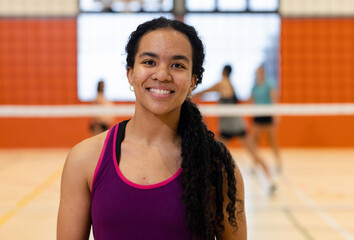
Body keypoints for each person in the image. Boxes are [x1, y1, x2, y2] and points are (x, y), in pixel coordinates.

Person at [57, 17, 246, 240]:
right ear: (130, 73)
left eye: (177, 65)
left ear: (193, 81)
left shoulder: (216, 165)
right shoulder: (85, 159)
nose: (162, 75)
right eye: (149, 62)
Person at [193, 65, 275, 193]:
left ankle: (271, 180)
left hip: (233, 125)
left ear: (223, 72)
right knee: (250, 153)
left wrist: (189, 95)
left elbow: (205, 91)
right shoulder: (228, 84)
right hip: (234, 124)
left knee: (214, 154)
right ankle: (271, 180)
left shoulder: (223, 83)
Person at [251, 64, 282, 174]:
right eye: (258, 72)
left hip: (268, 113)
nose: (259, 74)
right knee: (254, 140)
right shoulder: (254, 86)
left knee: (272, 140)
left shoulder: (270, 84)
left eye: (261, 72)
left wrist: (275, 115)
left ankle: (278, 163)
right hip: (258, 114)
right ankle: (255, 164)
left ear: (263, 72)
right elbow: (253, 101)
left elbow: (274, 99)